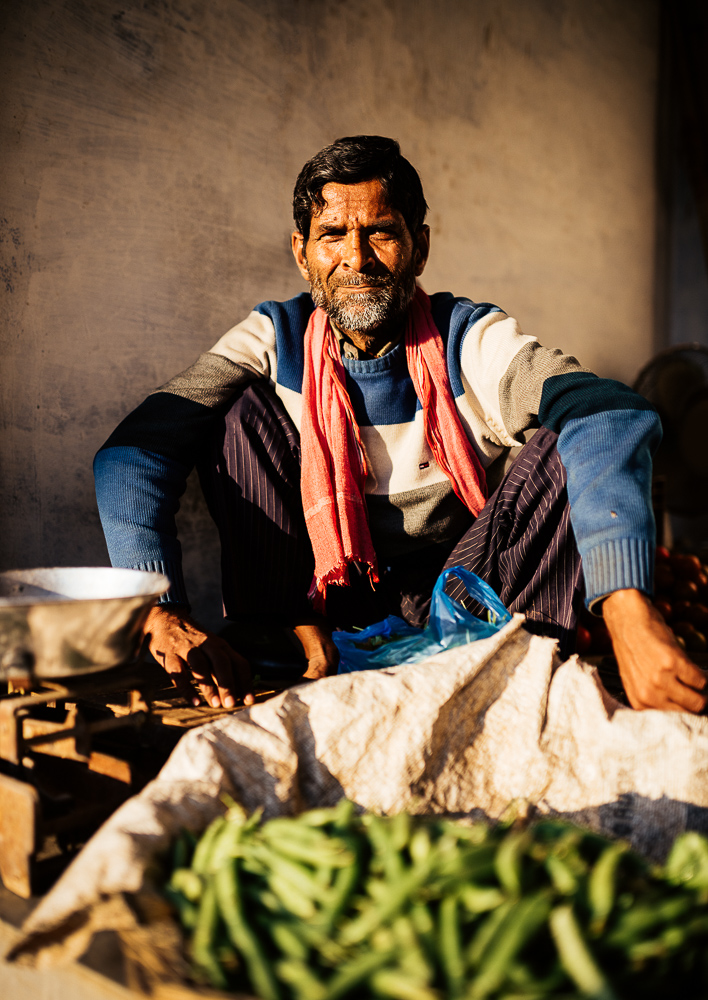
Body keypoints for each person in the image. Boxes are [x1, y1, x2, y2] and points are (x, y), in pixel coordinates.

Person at [94, 135, 707, 716]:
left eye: (380, 233)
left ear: (420, 245)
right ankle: (278, 640)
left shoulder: (469, 336)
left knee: (560, 440)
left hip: (462, 596)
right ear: (301, 253)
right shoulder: (271, 337)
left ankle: (514, 666)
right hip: (313, 613)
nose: (356, 259)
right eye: (332, 235)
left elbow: (610, 411)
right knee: (234, 411)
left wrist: (627, 607)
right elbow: (133, 455)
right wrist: (157, 610)